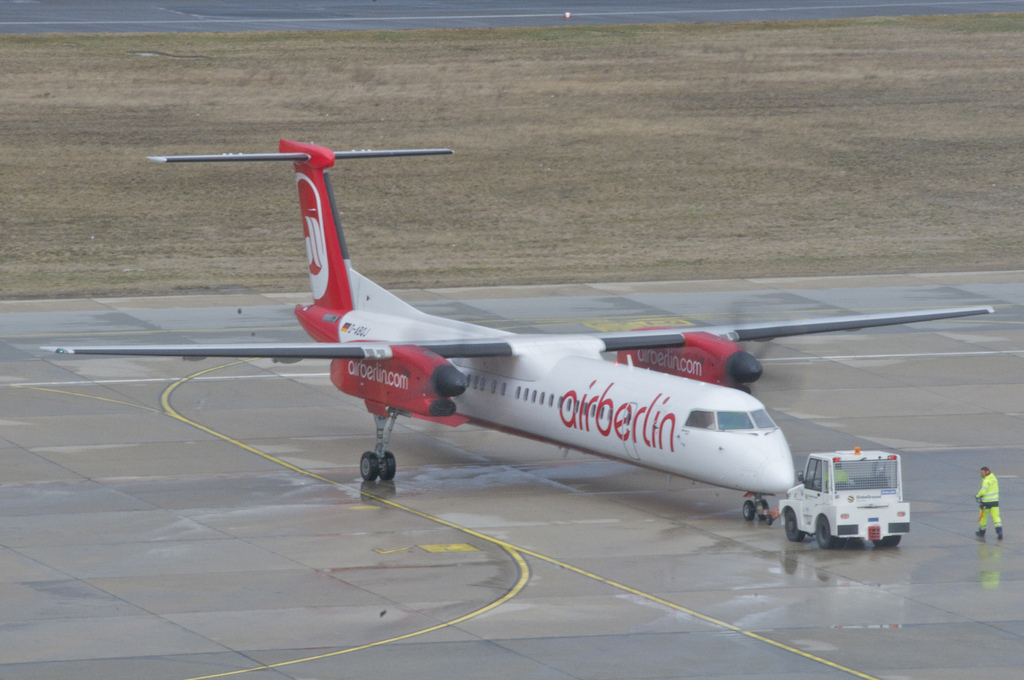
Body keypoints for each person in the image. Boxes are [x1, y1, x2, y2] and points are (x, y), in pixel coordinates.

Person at [976, 466, 1002, 540]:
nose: (981, 474)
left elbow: (983, 491)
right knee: (996, 517)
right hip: (995, 502)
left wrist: (977, 495)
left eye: (982, 473)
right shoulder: (994, 479)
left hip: (986, 503)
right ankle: (999, 531)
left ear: (986, 472)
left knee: (983, 517)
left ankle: (982, 532)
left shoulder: (986, 481)